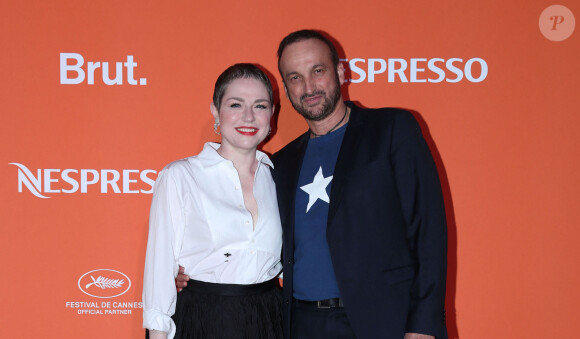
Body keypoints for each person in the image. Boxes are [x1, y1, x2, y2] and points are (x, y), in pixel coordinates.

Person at [177, 30, 448, 339]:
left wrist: (423, 327)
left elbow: (428, 232)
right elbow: (252, 241)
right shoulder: (279, 163)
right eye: (295, 77)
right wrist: (192, 274)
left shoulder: (390, 130)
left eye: (317, 71)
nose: (308, 87)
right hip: (300, 325)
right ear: (286, 88)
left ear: (340, 72)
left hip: (383, 323)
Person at [143, 63, 283, 339]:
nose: (248, 116)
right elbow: (159, 274)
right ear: (216, 111)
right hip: (204, 319)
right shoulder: (180, 176)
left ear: (272, 114)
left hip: (270, 318)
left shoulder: (281, 177)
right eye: (235, 105)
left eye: (260, 106)